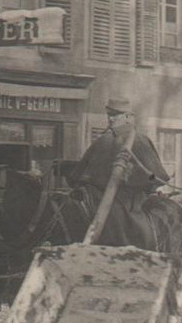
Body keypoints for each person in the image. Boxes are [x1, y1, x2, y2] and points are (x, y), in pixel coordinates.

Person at [68, 98, 169, 247]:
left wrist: (140, 178)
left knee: (114, 220)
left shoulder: (139, 141)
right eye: (109, 114)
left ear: (128, 117)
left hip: (128, 200)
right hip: (95, 196)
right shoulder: (104, 139)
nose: (111, 118)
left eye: (116, 115)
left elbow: (155, 175)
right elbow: (84, 170)